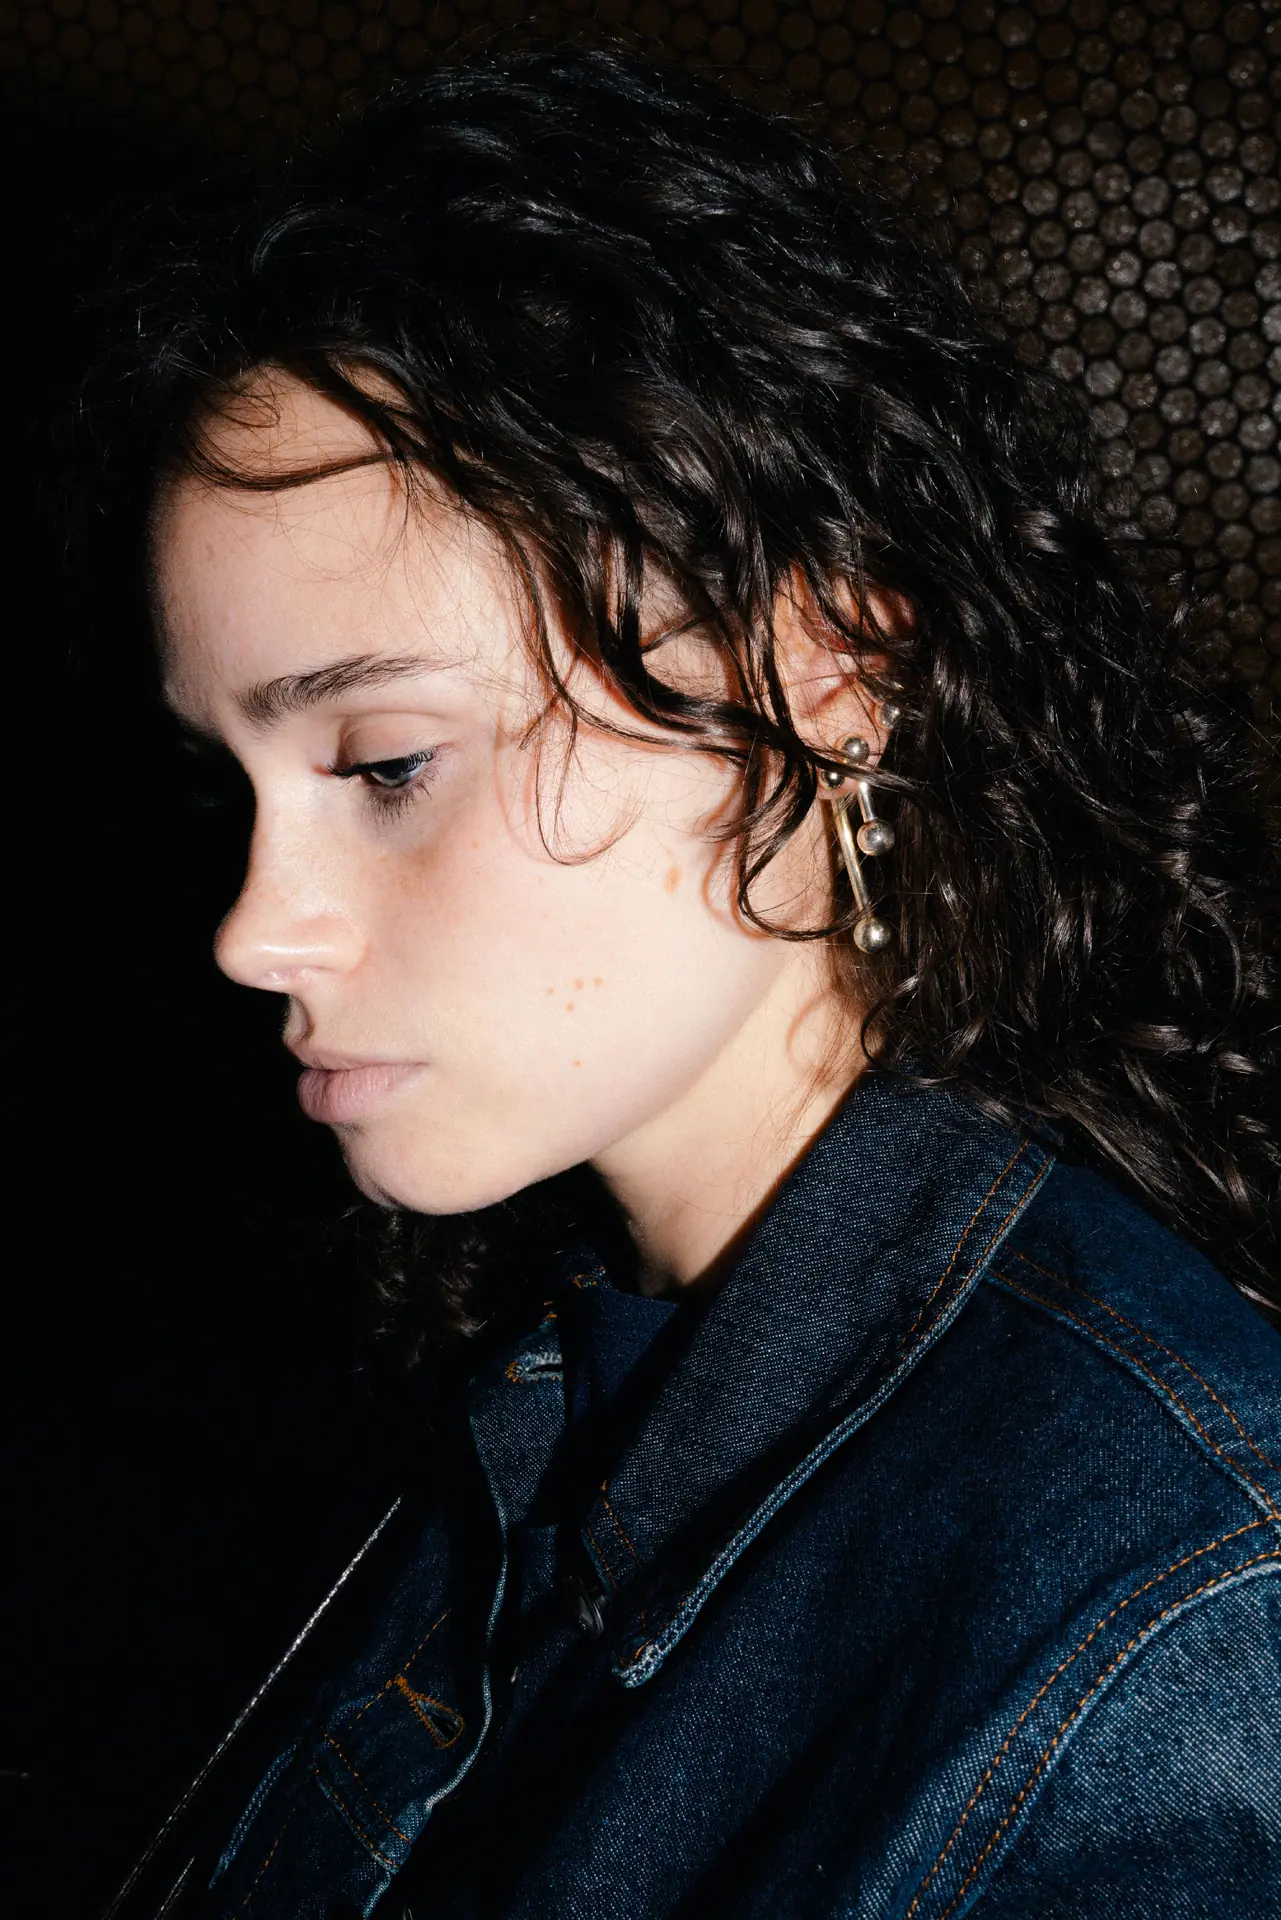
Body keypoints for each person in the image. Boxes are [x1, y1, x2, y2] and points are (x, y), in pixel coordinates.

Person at [111, 46, 1279, 1919]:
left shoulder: (1169, 1637)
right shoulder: (519, 1396)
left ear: (825, 679)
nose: (255, 931)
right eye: (227, 785)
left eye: (386, 764)